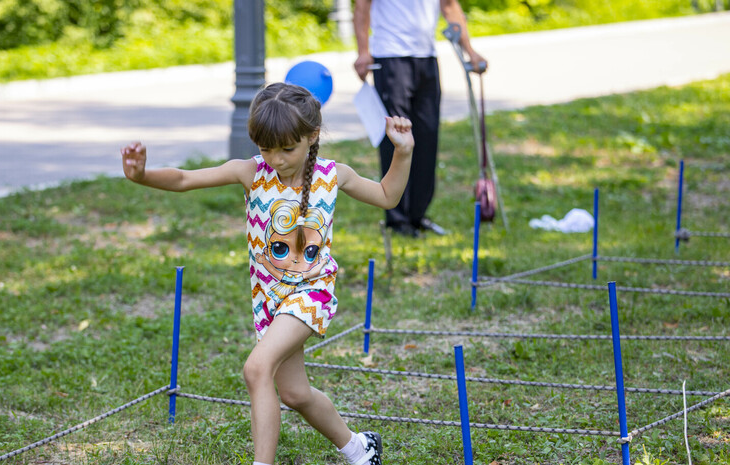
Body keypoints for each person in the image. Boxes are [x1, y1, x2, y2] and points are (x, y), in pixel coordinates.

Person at [121, 82, 414, 465]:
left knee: (256, 368)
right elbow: (184, 179)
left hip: (311, 293)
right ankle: (360, 449)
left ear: (312, 136)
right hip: (270, 300)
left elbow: (388, 196)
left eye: (287, 149)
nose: (276, 159)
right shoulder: (251, 173)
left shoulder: (333, 175)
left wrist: (402, 152)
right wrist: (141, 175)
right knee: (294, 394)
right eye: (266, 148)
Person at [353, 0, 487, 237]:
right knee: (396, 137)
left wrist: (470, 50)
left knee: (427, 135)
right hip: (390, 56)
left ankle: (418, 214)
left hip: (426, 57)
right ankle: (397, 219)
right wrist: (363, 51)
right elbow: (362, 5)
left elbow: (450, 6)